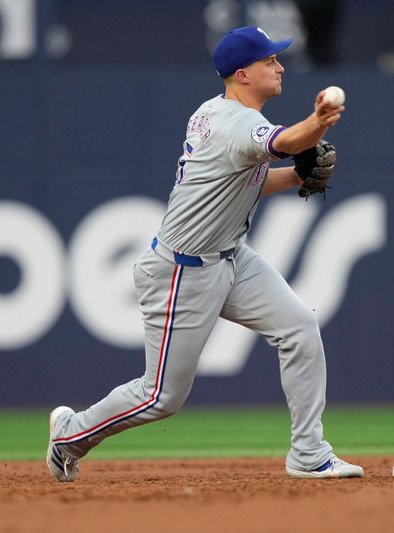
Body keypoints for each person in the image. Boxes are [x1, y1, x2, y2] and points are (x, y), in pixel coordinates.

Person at [45, 25, 363, 482]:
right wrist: (319, 122)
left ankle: (309, 454)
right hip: (182, 271)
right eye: (269, 59)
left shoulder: (215, 113)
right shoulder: (238, 123)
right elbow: (283, 143)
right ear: (242, 73)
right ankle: (70, 434)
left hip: (230, 257)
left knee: (299, 326)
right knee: (161, 397)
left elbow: (243, 182)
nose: (279, 65)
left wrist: (295, 178)